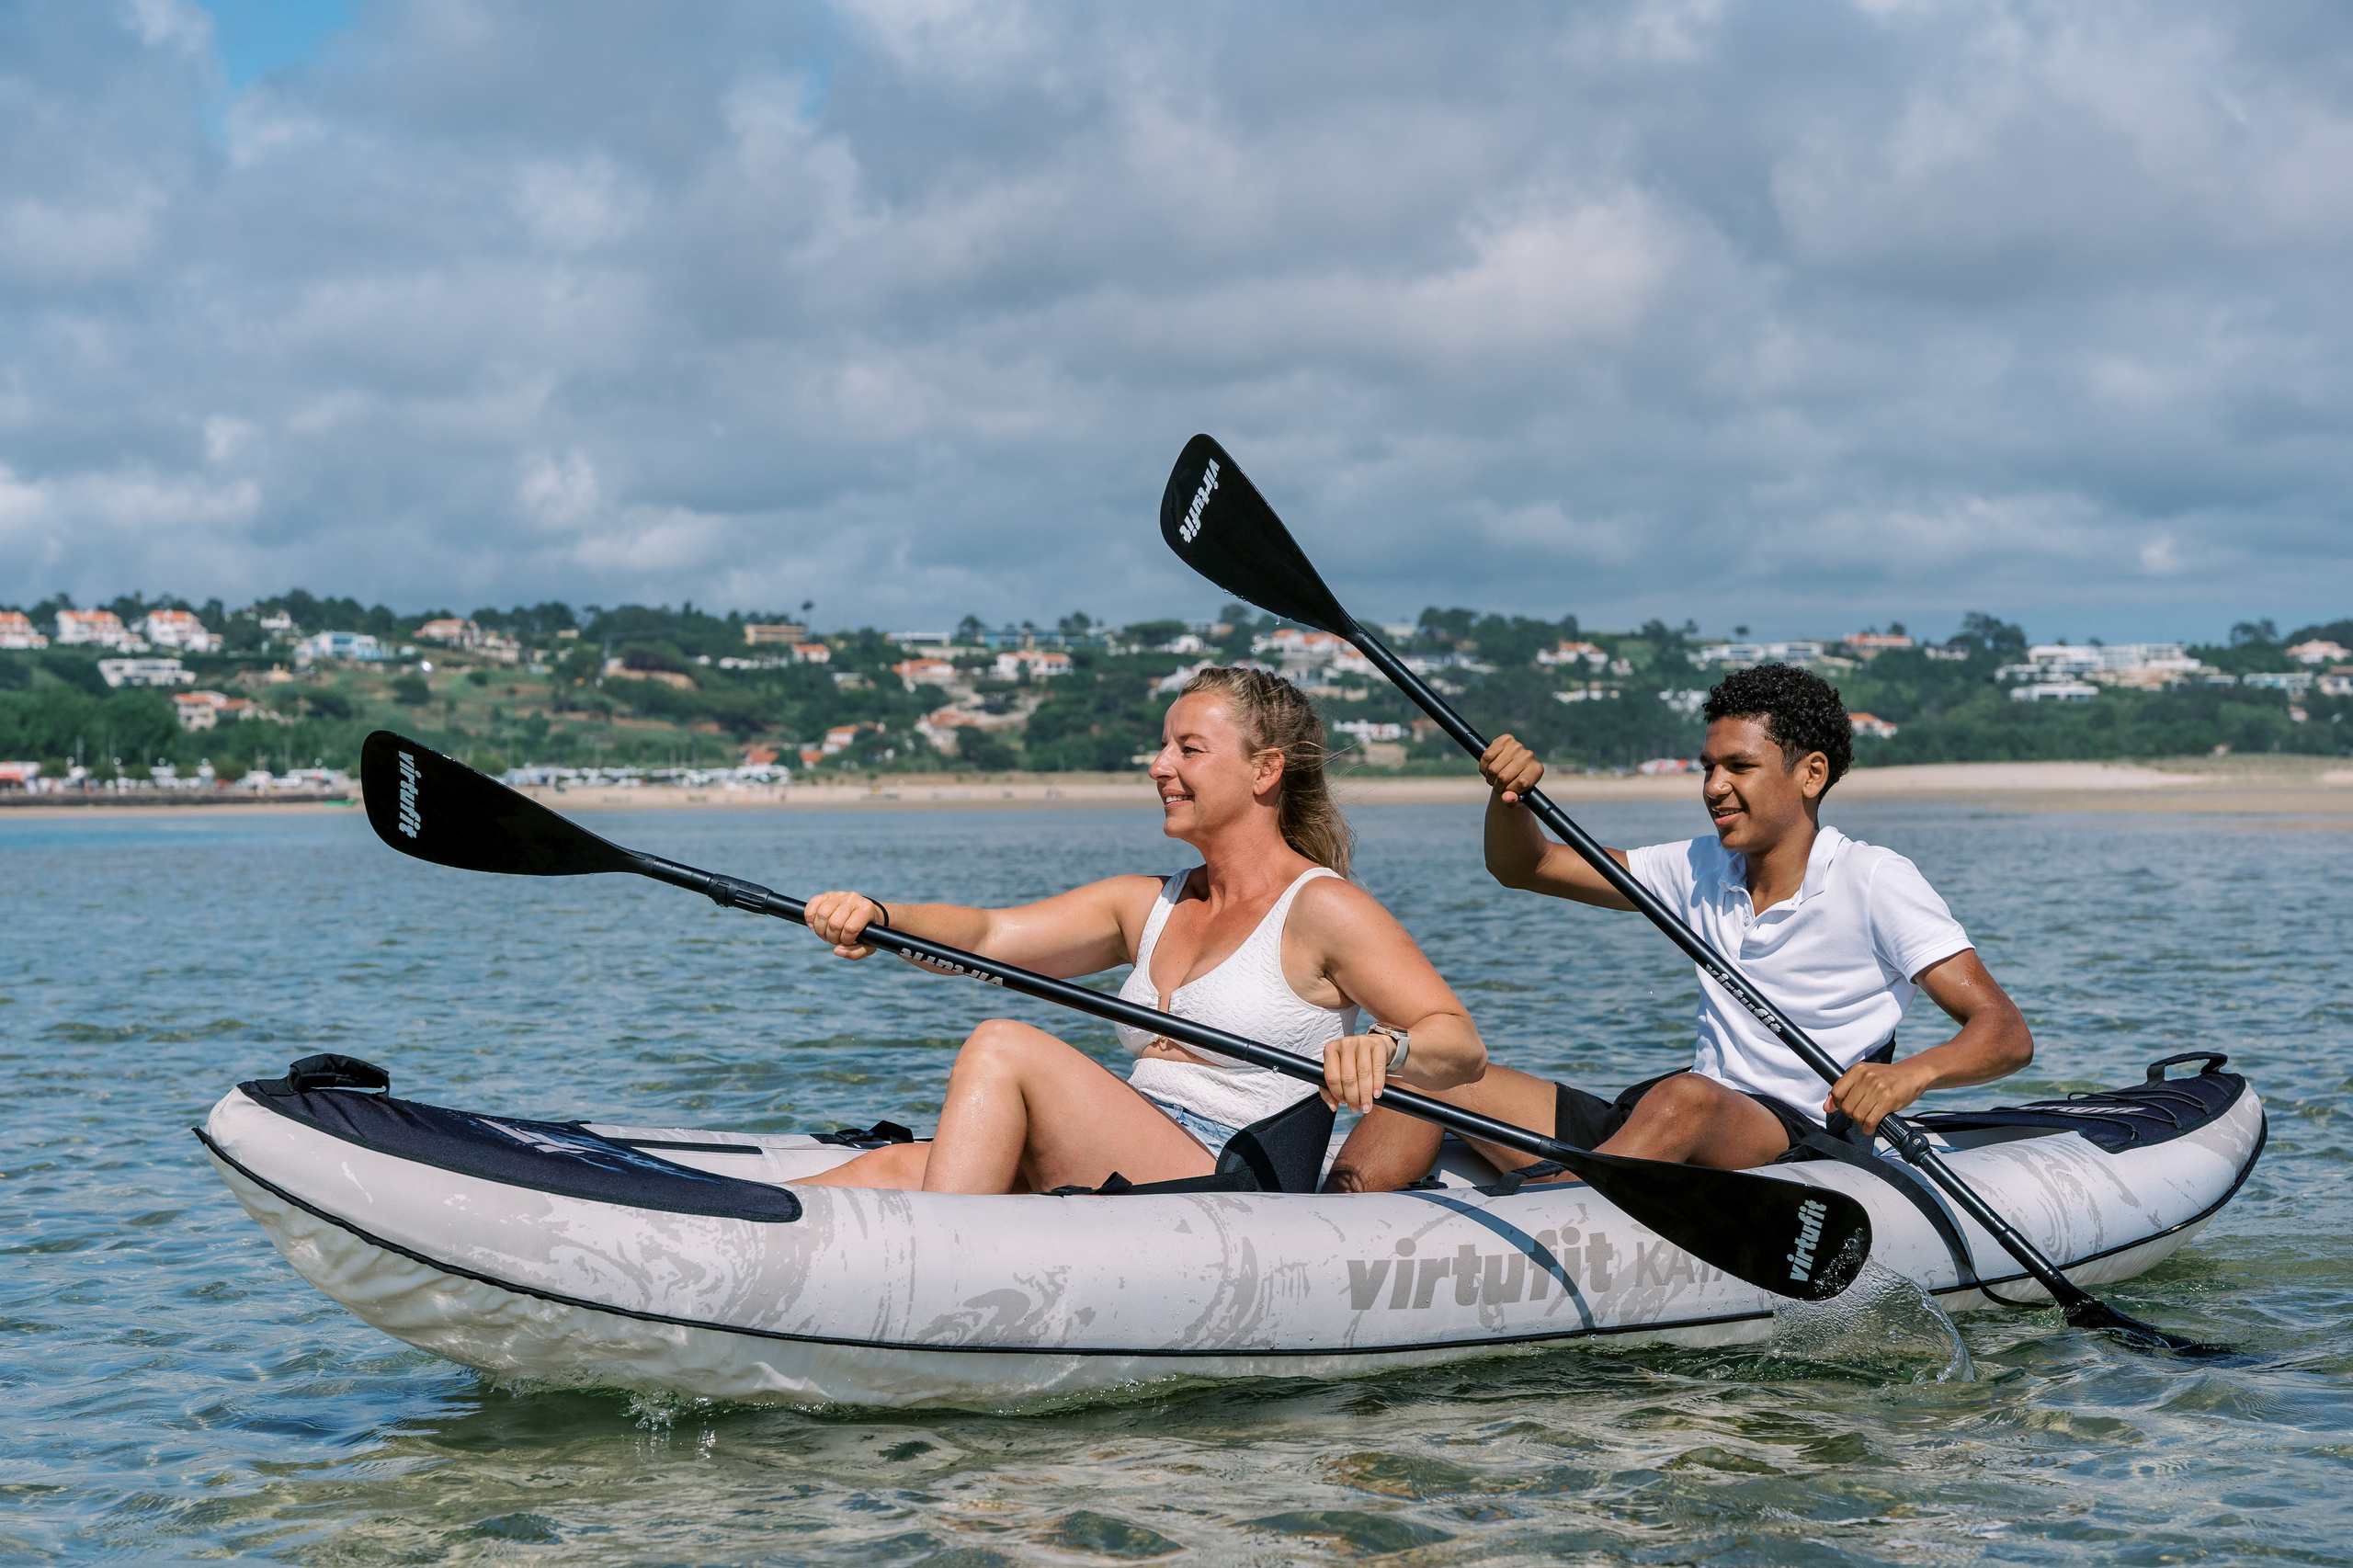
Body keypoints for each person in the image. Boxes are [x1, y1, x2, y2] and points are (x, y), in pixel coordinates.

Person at [1326, 662, 2032, 1189]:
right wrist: (1510, 798)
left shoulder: (1874, 879)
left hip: (1800, 1140)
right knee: (1429, 1072)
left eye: (1739, 767)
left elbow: (2004, 1033)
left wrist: (1909, 1076)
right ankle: (1329, 1229)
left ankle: (1559, 1220)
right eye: (1707, 767)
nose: (1713, 786)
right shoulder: (1699, 867)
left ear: (1811, 773)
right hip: (1678, 1120)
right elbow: (1528, 867)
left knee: (1685, 1097)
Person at [798, 665, 1487, 1194]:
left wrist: (1387, 1048)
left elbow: (1457, 1044)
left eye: (1189, 749)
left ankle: (935, 1286)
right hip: (1138, 1144)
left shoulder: (1321, 907)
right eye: (1162, 747)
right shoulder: (1143, 904)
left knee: (1003, 1046)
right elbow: (984, 937)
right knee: (885, 1174)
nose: (1160, 767)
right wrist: (884, 919)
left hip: (1237, 1175)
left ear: (1265, 770)